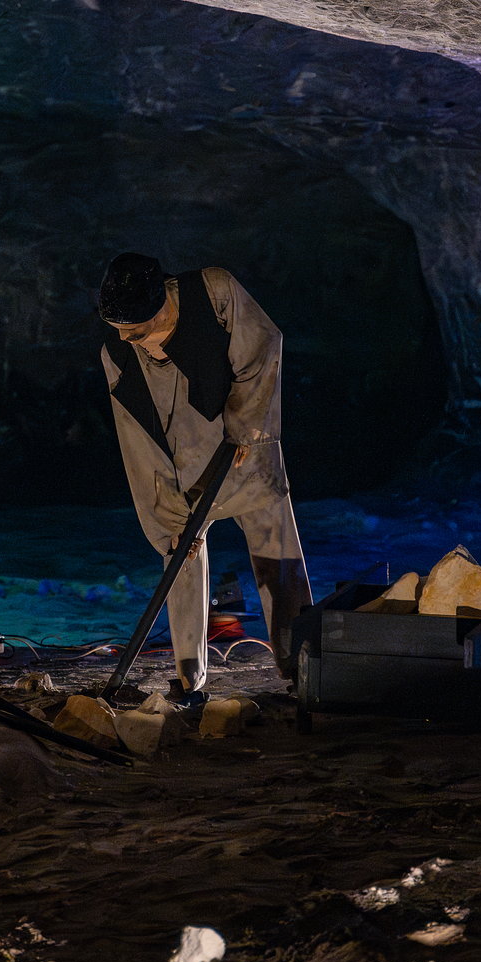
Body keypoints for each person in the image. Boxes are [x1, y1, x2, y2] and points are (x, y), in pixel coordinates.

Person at [98, 253, 313, 703]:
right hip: (185, 469)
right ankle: (189, 680)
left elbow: (262, 348)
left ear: (161, 307)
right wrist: (164, 521)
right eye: (119, 330)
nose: (127, 340)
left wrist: (245, 429)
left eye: (136, 331)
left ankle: (304, 668)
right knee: (180, 559)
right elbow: (137, 441)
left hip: (244, 451)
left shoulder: (213, 293)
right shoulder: (117, 354)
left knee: (278, 556)